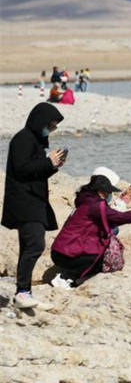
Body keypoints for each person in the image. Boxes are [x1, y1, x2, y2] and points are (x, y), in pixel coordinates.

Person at [2, 103, 66, 309]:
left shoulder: (36, 142)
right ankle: (22, 292)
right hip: (24, 202)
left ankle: (23, 292)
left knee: (28, 247)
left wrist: (52, 166)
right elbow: (21, 169)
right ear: (40, 122)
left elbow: (34, 172)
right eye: (50, 126)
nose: (51, 130)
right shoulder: (23, 139)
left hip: (33, 200)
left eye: (54, 127)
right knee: (35, 245)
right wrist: (48, 162)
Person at [50, 175, 131, 287]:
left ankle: (68, 274)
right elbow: (117, 217)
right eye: (109, 191)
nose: (109, 195)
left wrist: (127, 202)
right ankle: (66, 278)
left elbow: (111, 215)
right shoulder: (95, 205)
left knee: (99, 250)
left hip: (59, 251)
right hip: (67, 253)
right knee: (99, 257)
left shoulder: (85, 200)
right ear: (102, 191)